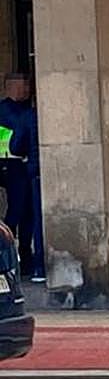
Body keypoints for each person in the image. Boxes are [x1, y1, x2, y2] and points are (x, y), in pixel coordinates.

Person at [0, 73, 33, 271]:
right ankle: (8, 253)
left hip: (17, 165)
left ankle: (24, 256)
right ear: (13, 88)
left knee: (26, 211)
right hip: (10, 163)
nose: (27, 90)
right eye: (24, 86)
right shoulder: (7, 111)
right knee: (17, 210)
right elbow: (20, 134)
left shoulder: (21, 109)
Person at [9, 90, 43, 282]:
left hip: (34, 172)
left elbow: (15, 146)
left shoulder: (29, 116)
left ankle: (38, 267)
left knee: (35, 219)